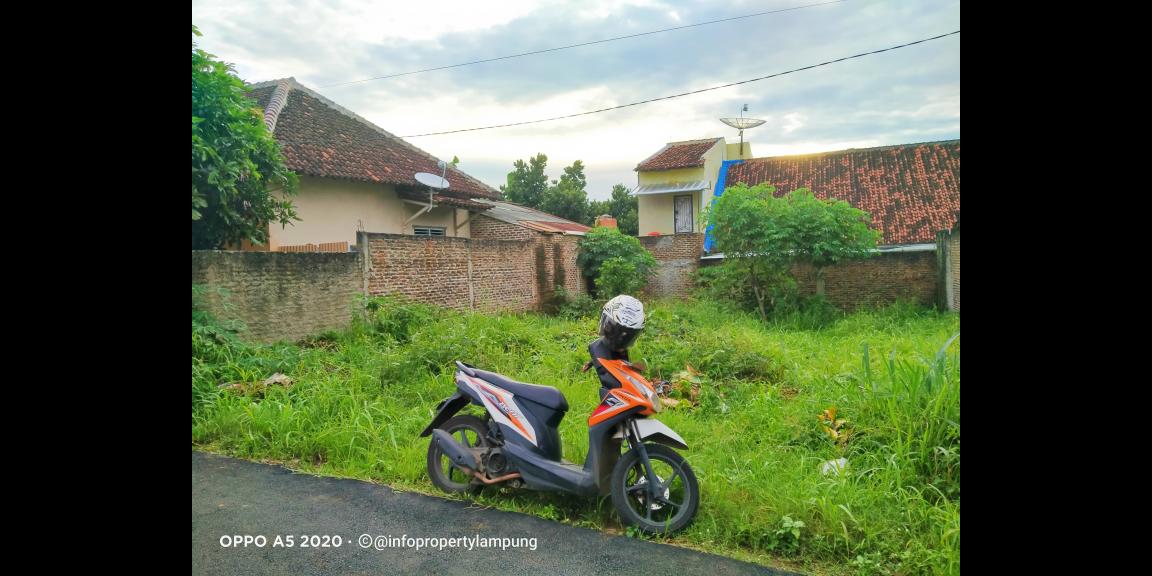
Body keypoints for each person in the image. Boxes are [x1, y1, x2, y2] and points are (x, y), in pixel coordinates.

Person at [586, 295, 645, 400]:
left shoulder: (624, 351)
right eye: (619, 333)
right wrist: (592, 362)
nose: (622, 340)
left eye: (628, 335)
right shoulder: (598, 347)